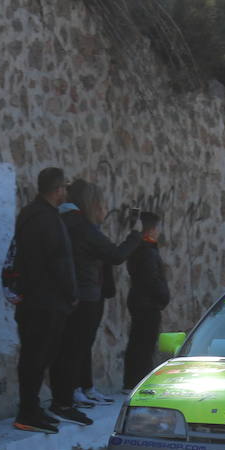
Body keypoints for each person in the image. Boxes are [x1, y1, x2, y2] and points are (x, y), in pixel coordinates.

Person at [52, 179, 141, 425]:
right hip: (86, 295)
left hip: (71, 293)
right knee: (75, 349)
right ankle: (66, 401)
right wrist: (135, 235)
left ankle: (72, 394)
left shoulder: (63, 222)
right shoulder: (82, 227)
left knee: (71, 347)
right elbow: (116, 255)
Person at [8, 167, 76, 434]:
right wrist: (71, 294)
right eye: (64, 188)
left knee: (33, 356)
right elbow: (60, 262)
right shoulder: (47, 219)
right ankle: (28, 412)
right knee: (37, 357)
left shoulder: (28, 214)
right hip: (46, 301)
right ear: (58, 190)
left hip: (31, 299)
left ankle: (31, 409)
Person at [123, 211, 170, 391]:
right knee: (144, 345)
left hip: (140, 301)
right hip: (148, 304)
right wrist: (163, 296)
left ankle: (131, 381)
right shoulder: (147, 252)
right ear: (150, 230)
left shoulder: (140, 249)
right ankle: (139, 383)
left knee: (137, 342)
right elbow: (152, 280)